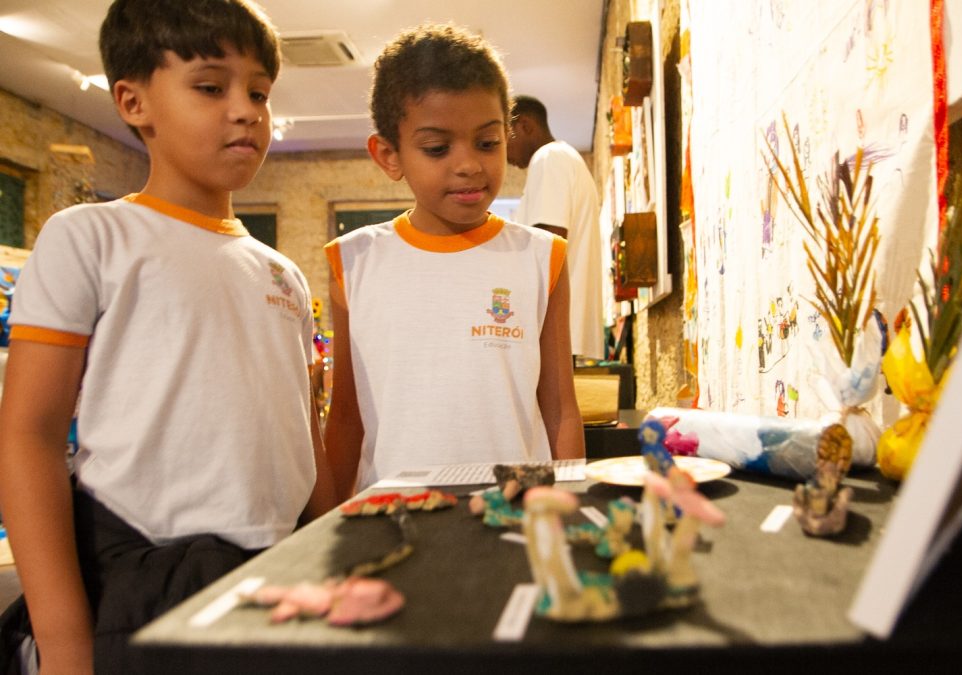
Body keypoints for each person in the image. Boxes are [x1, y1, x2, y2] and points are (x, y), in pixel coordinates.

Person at [0, 1, 337, 672]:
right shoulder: (90, 237)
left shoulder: (284, 274)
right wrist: (64, 641)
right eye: (211, 86)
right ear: (132, 100)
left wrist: (337, 551)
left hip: (277, 579)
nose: (246, 110)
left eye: (260, 92)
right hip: (143, 585)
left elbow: (305, 437)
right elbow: (28, 434)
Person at [323, 23, 585, 498]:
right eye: (437, 148)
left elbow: (560, 405)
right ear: (388, 154)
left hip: (515, 505)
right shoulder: (354, 260)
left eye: (487, 143)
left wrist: (569, 503)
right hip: (392, 509)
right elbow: (346, 416)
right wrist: (322, 530)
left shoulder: (542, 257)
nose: (467, 164)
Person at [507, 95, 605, 360]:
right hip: (563, 326)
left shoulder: (548, 158)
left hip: (555, 327)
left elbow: (547, 245)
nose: (503, 154)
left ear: (525, 126)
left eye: (503, 139)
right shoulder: (563, 158)